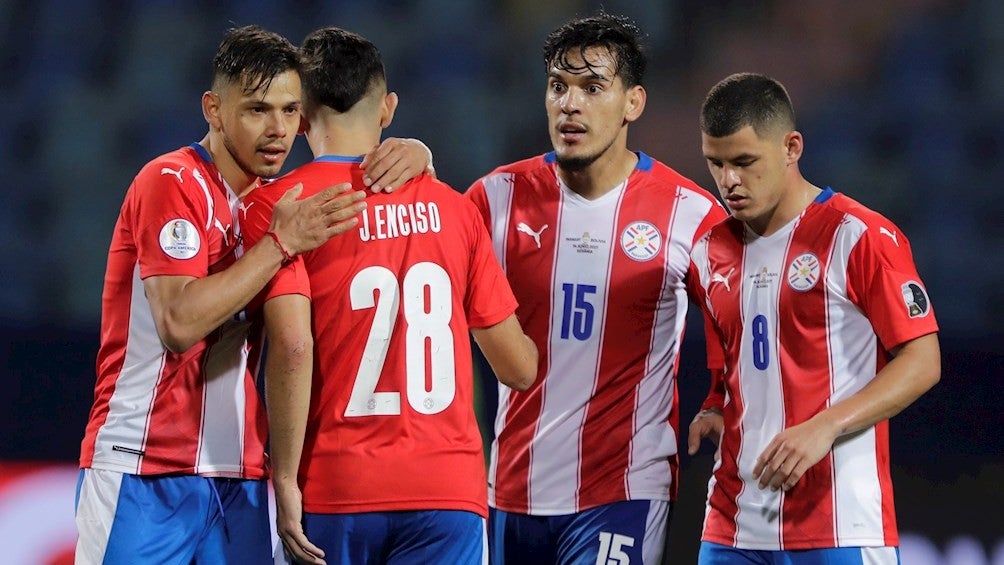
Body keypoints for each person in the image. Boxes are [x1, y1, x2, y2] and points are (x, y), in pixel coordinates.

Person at [75, 25, 433, 564]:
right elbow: (177, 323)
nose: (278, 130)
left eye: (291, 111)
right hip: (143, 468)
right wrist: (280, 245)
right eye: (257, 109)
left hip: (239, 478)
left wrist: (417, 154)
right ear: (214, 109)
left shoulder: (280, 203)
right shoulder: (172, 182)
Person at [239, 27, 539, 565]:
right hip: (448, 492)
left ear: (301, 115)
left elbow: (292, 348)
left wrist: (283, 478)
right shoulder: (455, 209)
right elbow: (517, 369)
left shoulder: (282, 207)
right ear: (389, 109)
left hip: (337, 485)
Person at [465, 12, 728, 565]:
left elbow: (744, 321)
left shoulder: (690, 215)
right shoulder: (494, 199)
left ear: (633, 102)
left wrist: (721, 399)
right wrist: (419, 160)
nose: (570, 104)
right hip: (510, 492)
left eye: (592, 88)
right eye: (558, 87)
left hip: (623, 493)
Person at [686, 72, 941, 564]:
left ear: (791, 147)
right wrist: (714, 406)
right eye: (715, 164)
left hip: (839, 523)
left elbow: (923, 360)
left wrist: (825, 425)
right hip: (733, 523)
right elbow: (732, 366)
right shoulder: (708, 252)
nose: (728, 181)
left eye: (744, 162)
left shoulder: (859, 236)